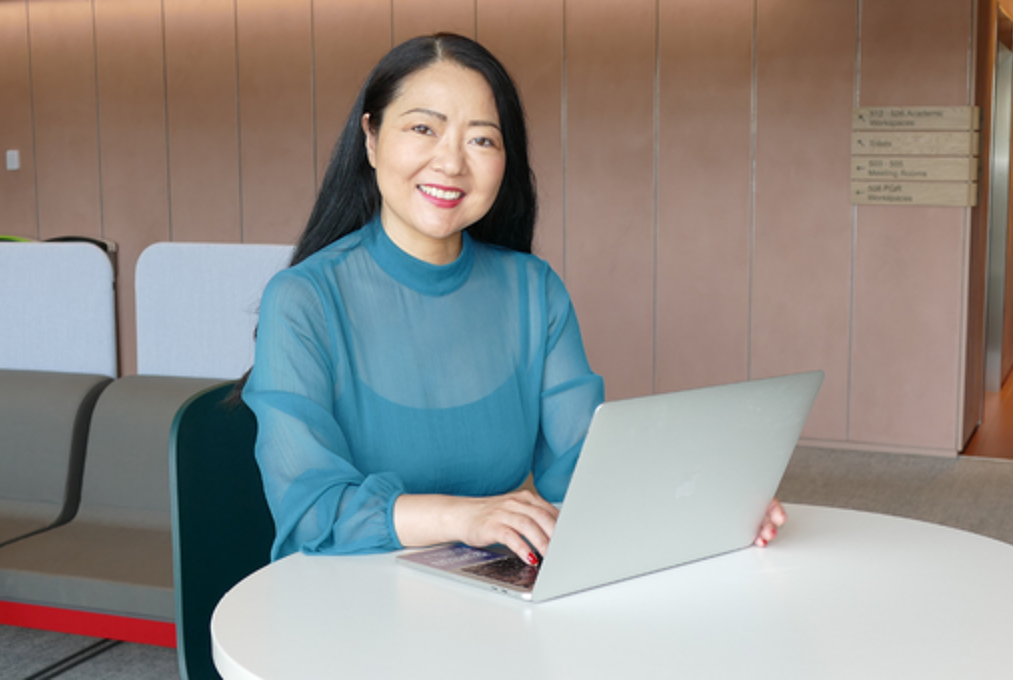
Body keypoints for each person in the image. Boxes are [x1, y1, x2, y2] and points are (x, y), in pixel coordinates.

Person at [242, 33, 787, 568]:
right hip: (338, 604)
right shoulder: (303, 300)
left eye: (481, 139)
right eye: (423, 128)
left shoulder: (534, 291)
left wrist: (712, 504)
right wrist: (466, 518)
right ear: (371, 137)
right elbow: (311, 510)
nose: (451, 163)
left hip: (487, 598)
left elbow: (581, 471)